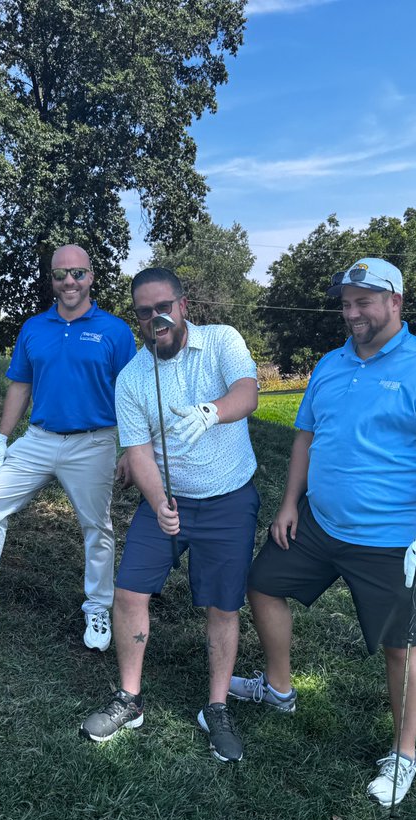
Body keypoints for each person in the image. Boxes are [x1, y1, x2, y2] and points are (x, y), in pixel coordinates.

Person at [232, 257, 416, 806]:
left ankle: (403, 754)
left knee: (400, 646)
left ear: (396, 302)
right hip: (319, 523)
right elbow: (305, 437)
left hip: (391, 539)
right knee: (262, 584)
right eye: (346, 303)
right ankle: (279, 689)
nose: (352, 312)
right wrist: (289, 504)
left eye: (364, 301)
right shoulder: (330, 363)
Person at [80, 267, 260, 762]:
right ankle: (129, 699)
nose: (155, 318)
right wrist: (159, 502)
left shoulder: (222, 340)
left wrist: (211, 412)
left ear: (183, 306)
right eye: (144, 312)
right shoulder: (133, 377)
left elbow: (248, 393)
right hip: (167, 499)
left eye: (163, 307)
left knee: (222, 605)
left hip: (229, 497)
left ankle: (216, 707)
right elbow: (137, 452)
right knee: (128, 592)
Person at [0, 245, 136, 651]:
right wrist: (1, 437)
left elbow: (131, 392)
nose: (69, 281)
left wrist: (130, 447)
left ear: (91, 277)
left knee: (97, 528)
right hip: (38, 440)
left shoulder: (114, 331)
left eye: (77, 273)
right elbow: (20, 385)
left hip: (93, 443)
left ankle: (97, 607)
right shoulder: (34, 328)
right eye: (60, 274)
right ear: (52, 279)